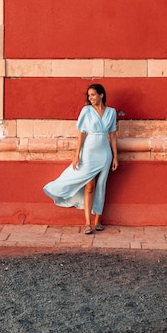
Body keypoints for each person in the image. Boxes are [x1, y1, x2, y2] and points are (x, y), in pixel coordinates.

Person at [43, 84, 119, 234]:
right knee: (89, 186)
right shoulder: (86, 111)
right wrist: (76, 155)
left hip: (105, 153)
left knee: (102, 186)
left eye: (93, 95)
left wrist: (115, 156)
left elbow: (113, 136)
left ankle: (98, 221)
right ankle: (87, 223)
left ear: (101, 95)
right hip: (89, 154)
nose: (90, 98)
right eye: (89, 95)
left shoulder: (111, 112)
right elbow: (81, 134)